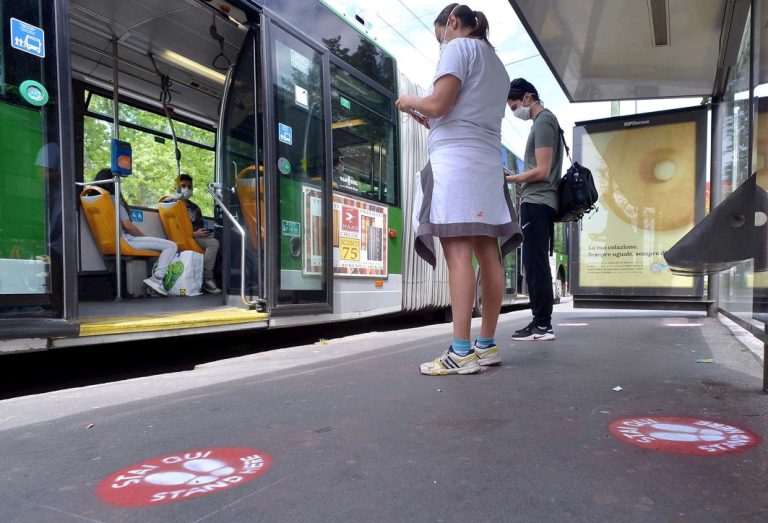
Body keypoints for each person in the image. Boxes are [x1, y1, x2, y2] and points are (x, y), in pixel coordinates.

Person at [395, 3, 522, 375]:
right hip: (487, 165)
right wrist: (431, 120)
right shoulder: (497, 66)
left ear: (451, 23)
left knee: (459, 254)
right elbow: (458, 113)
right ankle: (486, 345)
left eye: (440, 37)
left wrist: (408, 101)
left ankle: (460, 352)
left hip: (456, 166)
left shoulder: (457, 48)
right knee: (489, 253)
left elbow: (438, 103)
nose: (441, 44)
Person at [506, 78, 563, 341]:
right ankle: (540, 323)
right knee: (535, 262)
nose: (515, 112)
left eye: (515, 106)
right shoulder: (544, 122)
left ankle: (542, 325)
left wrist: (511, 179)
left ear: (528, 98)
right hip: (539, 202)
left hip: (538, 201)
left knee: (535, 263)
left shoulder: (543, 122)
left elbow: (542, 171)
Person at [94, 168, 177, 296]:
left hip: (109, 242)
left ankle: (153, 286)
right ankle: (156, 279)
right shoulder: (114, 200)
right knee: (171, 246)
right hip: (125, 240)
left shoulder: (95, 200)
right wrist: (144, 236)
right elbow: (128, 226)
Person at [176, 173, 221, 294]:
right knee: (213, 243)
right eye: (183, 186)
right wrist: (193, 234)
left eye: (189, 186)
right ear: (176, 187)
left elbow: (200, 226)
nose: (187, 189)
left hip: (198, 236)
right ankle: (207, 278)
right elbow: (175, 228)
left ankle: (220, 278)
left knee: (221, 236)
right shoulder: (172, 204)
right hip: (186, 237)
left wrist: (204, 232)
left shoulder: (195, 207)